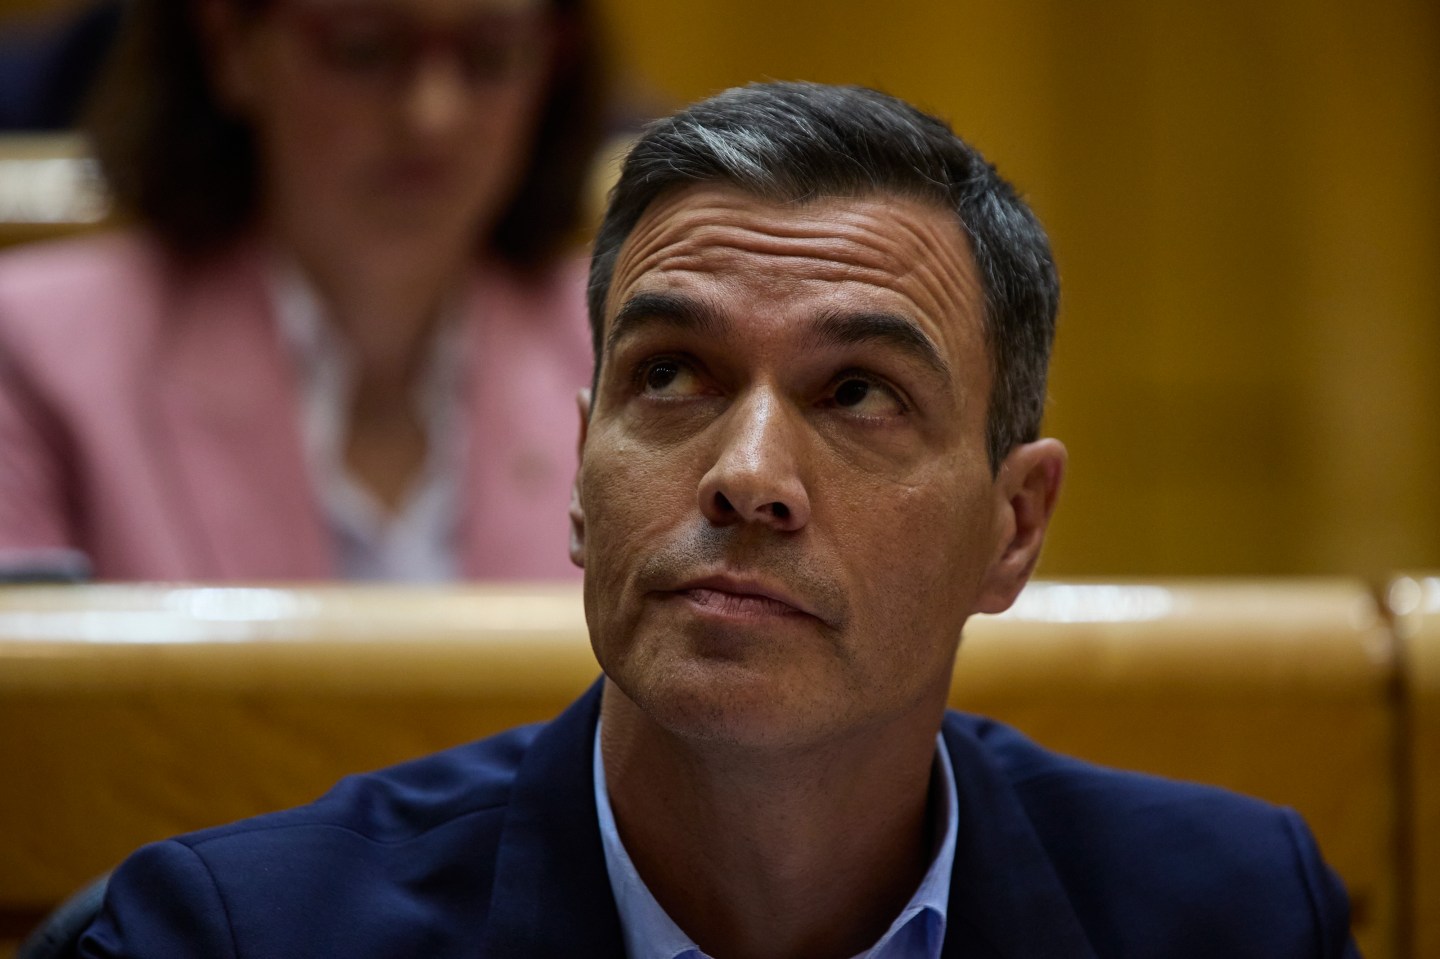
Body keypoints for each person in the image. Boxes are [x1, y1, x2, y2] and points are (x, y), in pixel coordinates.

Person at [76, 82, 1359, 957]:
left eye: (857, 392)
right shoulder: (231, 934)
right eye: (672, 374)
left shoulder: (1235, 913)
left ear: (1013, 526)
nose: (748, 473)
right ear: (581, 470)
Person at [0, 0, 604, 581]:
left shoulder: (629, 345)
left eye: (492, 55)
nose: (433, 113)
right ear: (231, 42)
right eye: (363, 48)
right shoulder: (33, 351)